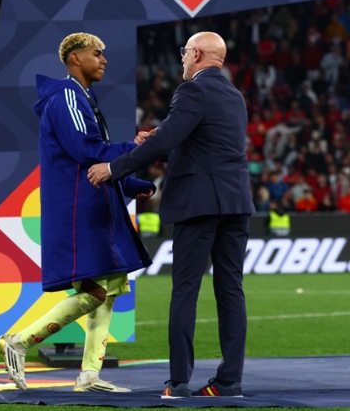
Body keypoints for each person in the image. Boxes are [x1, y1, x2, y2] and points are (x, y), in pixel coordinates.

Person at [87, 31, 252, 399]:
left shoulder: (192, 90)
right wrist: (160, 143)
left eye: (184, 52)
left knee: (185, 291)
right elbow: (201, 144)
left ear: (197, 54)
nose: (182, 59)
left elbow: (169, 138)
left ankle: (179, 383)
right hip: (236, 203)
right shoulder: (234, 95)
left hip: (199, 204)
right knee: (231, 289)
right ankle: (230, 382)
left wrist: (114, 168)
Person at [0, 32, 154, 393]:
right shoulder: (67, 96)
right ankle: (19, 341)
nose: (104, 59)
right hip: (79, 210)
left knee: (108, 290)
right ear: (75, 58)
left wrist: (131, 184)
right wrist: (135, 149)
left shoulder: (82, 97)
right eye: (97, 53)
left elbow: (89, 163)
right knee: (96, 290)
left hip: (93, 204)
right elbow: (86, 149)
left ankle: (89, 376)